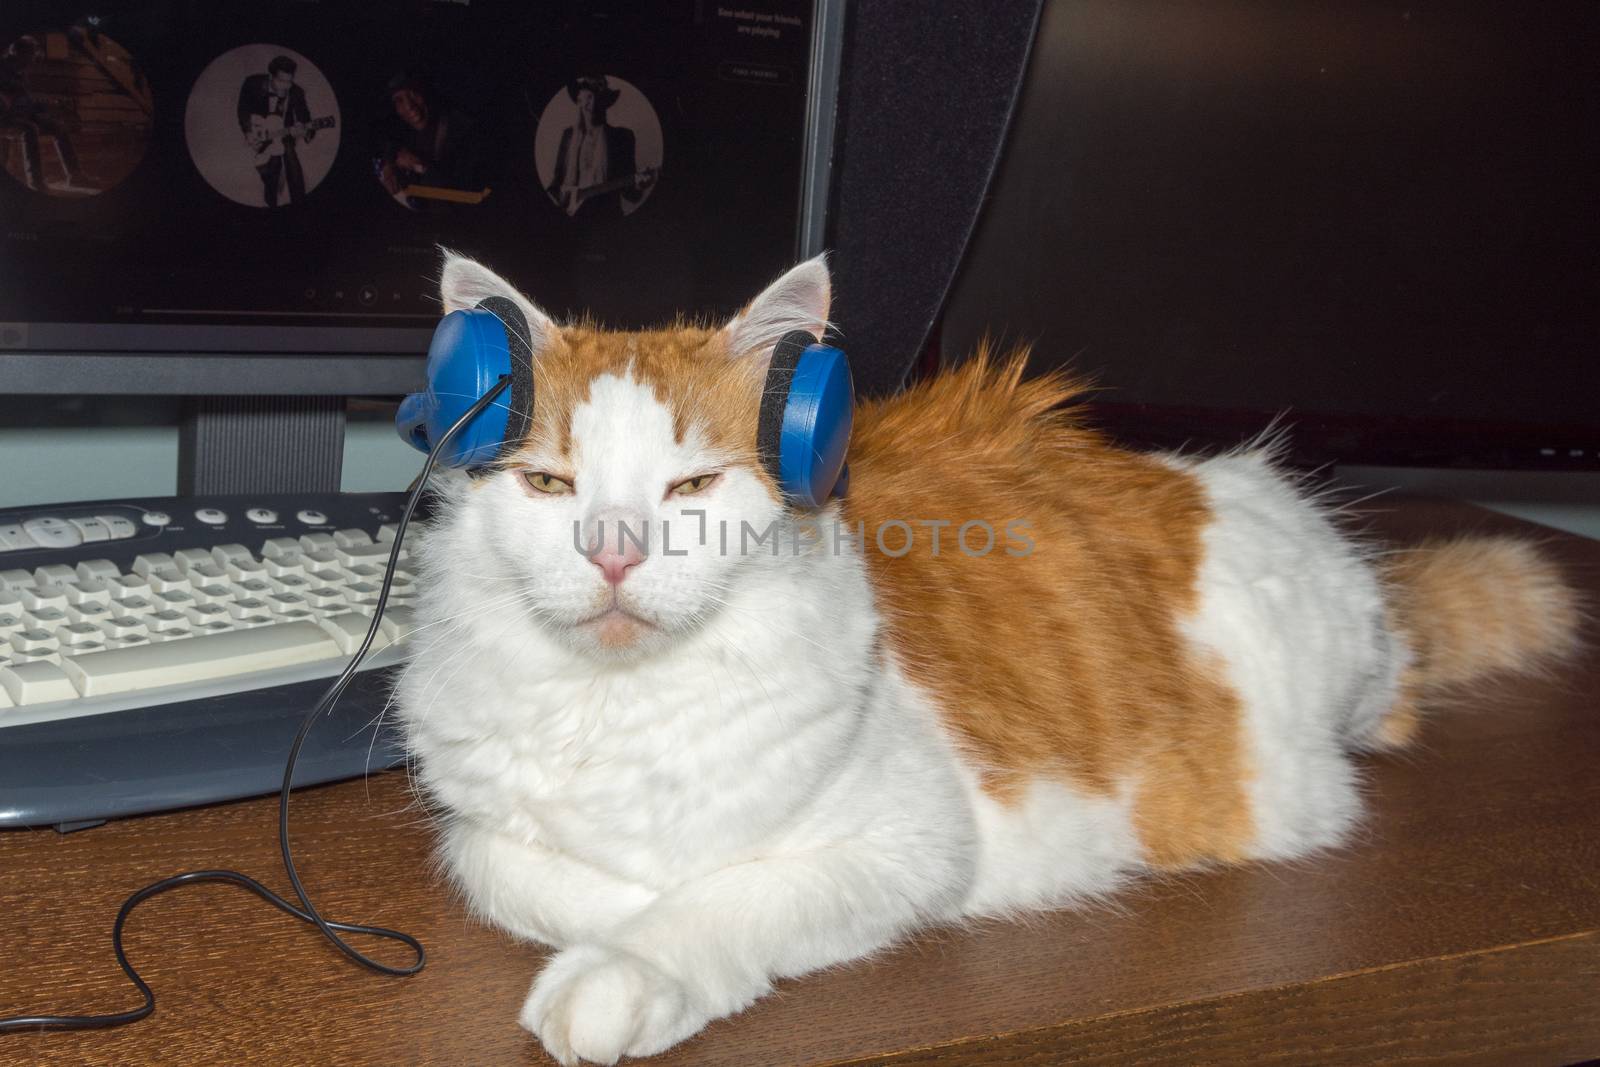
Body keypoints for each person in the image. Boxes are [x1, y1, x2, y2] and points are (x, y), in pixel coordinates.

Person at [545, 75, 653, 217]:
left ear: (604, 103)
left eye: (595, 98)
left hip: (607, 217)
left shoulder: (622, 137)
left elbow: (631, 194)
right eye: (586, 98)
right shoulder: (568, 136)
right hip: (572, 215)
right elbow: (557, 182)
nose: (590, 104)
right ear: (579, 101)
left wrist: (640, 185)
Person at [375, 72, 483, 208]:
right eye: (399, 100)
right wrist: (389, 164)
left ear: (426, 92)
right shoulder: (404, 130)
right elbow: (388, 144)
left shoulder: (463, 129)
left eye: (413, 93)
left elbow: (468, 197)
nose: (409, 105)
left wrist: (419, 167)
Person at [0, 35, 92, 194]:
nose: (32, 60)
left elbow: (24, 99)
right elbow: (9, 100)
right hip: (4, 118)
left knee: (58, 127)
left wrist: (43, 110)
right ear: (17, 53)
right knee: (30, 129)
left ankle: (75, 176)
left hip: (18, 115)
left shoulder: (20, 71)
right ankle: (36, 182)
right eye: (30, 55)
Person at [236, 55, 313, 208]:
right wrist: (248, 132)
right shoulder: (253, 83)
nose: (286, 86)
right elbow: (243, 109)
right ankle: (270, 199)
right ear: (271, 76)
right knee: (270, 170)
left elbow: (305, 118)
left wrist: (303, 131)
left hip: (285, 132)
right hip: (260, 129)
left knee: (293, 166)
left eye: (289, 81)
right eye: (281, 81)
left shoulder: (297, 92)